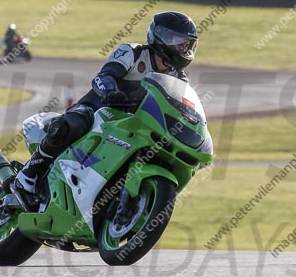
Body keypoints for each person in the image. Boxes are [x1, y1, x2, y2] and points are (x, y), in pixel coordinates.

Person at [13, 11, 198, 204]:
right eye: (179, 41)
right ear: (161, 37)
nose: (184, 47)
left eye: (188, 43)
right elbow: (104, 76)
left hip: (133, 126)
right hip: (99, 110)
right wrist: (111, 91)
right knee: (74, 123)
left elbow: (182, 110)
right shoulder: (132, 53)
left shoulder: (179, 79)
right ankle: (28, 174)